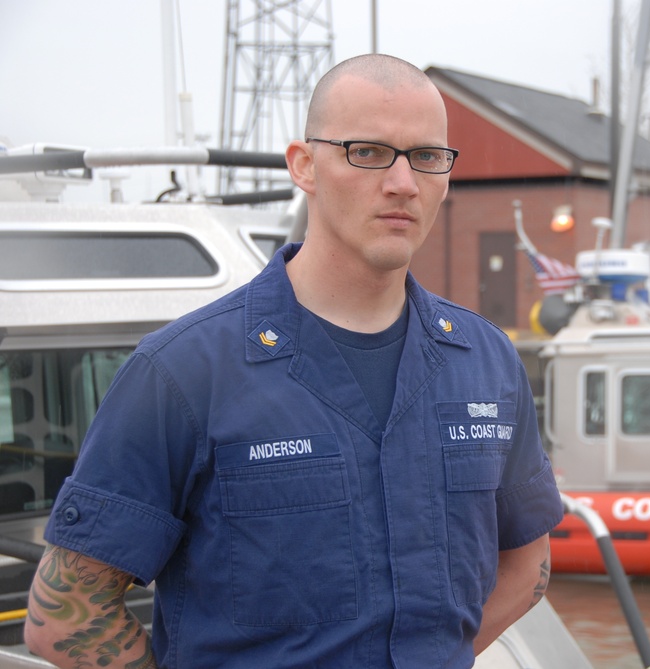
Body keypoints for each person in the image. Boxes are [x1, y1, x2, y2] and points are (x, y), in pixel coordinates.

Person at [24, 53, 564, 668]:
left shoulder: (486, 361)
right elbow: (67, 613)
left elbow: (529, 565)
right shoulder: (182, 374)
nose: (403, 182)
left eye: (427, 157)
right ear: (304, 166)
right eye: (368, 152)